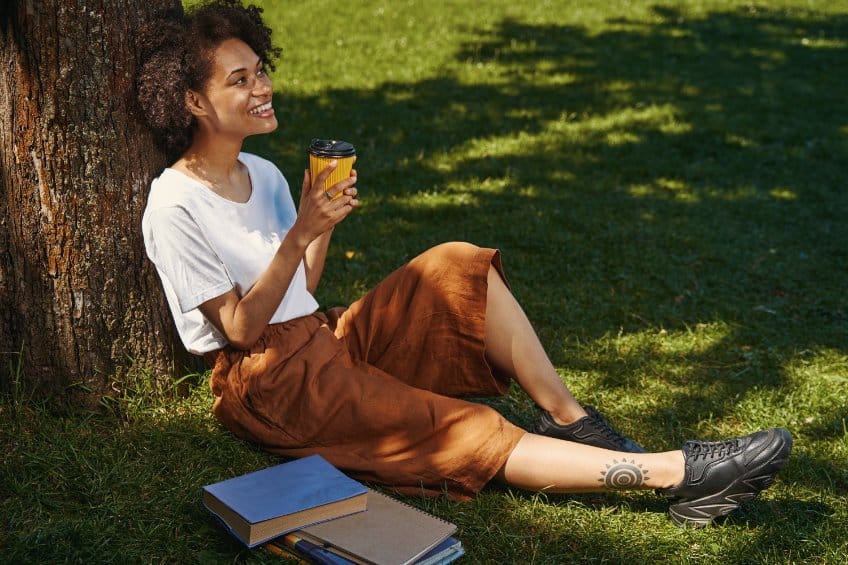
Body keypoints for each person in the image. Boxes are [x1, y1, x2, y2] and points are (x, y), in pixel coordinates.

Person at [137, 0, 792, 528]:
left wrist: (321, 226)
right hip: (272, 384)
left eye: (260, 69)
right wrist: (299, 233)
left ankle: (572, 420)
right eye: (240, 78)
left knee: (455, 265)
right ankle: (681, 474)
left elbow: (303, 289)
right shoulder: (174, 204)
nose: (263, 87)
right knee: (465, 424)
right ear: (195, 102)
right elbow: (245, 329)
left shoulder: (263, 172)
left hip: (322, 336)